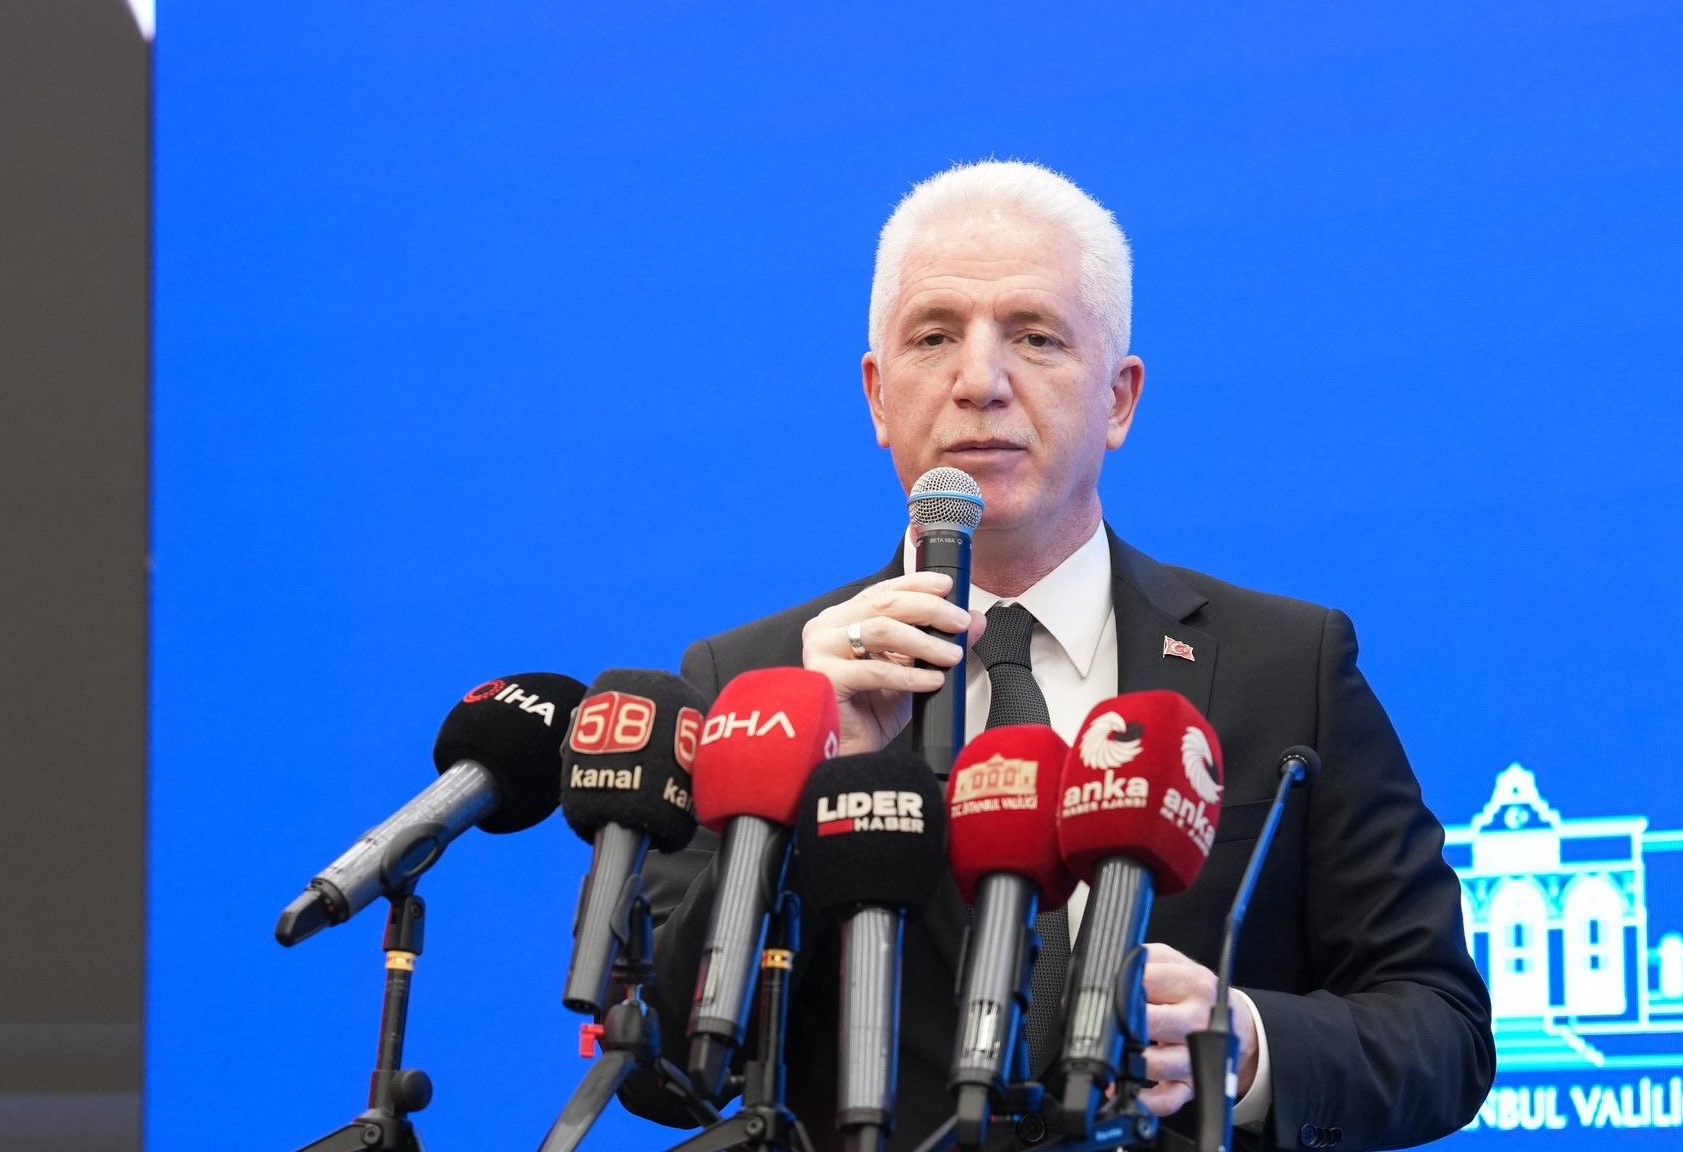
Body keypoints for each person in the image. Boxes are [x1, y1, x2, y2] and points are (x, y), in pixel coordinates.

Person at [622, 161, 1493, 1151]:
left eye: (1034, 336)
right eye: (933, 336)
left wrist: (1245, 1044)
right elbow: (659, 1071)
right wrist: (793, 792)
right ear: (877, 395)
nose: (979, 382)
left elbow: (1441, 1025)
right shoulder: (753, 686)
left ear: (1119, 400)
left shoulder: (1286, 668)